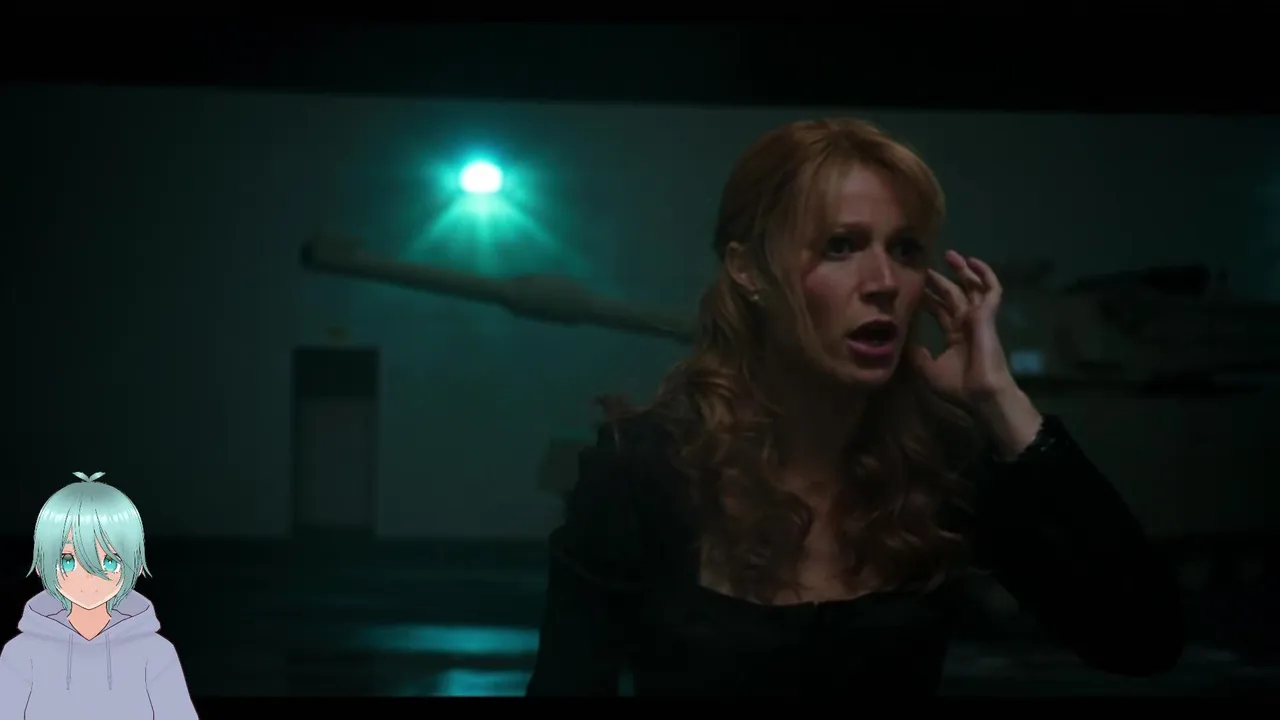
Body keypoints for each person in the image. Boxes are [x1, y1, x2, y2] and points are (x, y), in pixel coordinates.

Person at [526, 119, 1184, 696]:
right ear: (748, 271)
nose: (884, 283)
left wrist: (1002, 402)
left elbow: (1141, 642)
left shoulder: (943, 467)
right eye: (841, 246)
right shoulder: (645, 470)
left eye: (905, 250)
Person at [0, 473, 198, 718]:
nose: (89, 577)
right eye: (68, 560)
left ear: (135, 566)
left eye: (110, 561)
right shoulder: (21, 654)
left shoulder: (156, 654)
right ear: (42, 565)